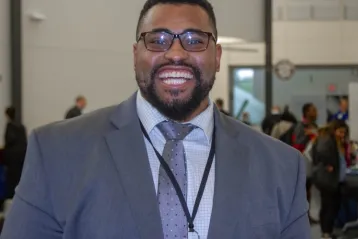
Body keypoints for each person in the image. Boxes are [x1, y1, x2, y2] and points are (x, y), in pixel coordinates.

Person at [1, 0, 311, 238]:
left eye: (194, 40)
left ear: (217, 57)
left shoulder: (281, 167)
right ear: (135, 54)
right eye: (158, 40)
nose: (175, 53)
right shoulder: (57, 152)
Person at [312, 120, 349, 239]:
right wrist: (328, 163)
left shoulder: (335, 141)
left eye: (344, 133)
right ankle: (326, 231)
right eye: (340, 132)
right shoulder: (327, 139)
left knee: (332, 205)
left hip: (334, 179)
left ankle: (328, 230)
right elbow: (321, 153)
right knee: (329, 205)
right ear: (334, 130)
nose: (342, 135)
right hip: (327, 180)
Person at [292, 103, 318, 225]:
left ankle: (307, 215)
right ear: (307, 112)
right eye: (313, 110)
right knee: (302, 191)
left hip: (312, 164)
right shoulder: (300, 127)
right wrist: (308, 135)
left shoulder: (314, 126)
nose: (316, 112)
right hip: (302, 163)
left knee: (309, 191)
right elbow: (296, 143)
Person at [3, 107, 27, 199]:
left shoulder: (10, 126)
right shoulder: (21, 126)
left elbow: (9, 140)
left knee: (12, 180)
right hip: (22, 156)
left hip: (12, 158)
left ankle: (10, 197)